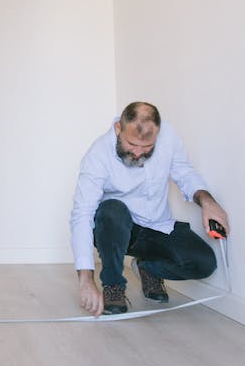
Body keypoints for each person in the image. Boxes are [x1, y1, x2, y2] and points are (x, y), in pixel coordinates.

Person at [70, 102, 229, 315]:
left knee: (204, 263)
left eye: (146, 148)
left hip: (158, 227)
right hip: (117, 231)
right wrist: (85, 280)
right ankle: (113, 285)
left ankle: (147, 268)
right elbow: (82, 214)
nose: (137, 153)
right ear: (119, 128)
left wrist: (208, 202)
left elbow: (183, 172)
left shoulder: (168, 137)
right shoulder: (98, 154)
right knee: (111, 209)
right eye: (132, 144)